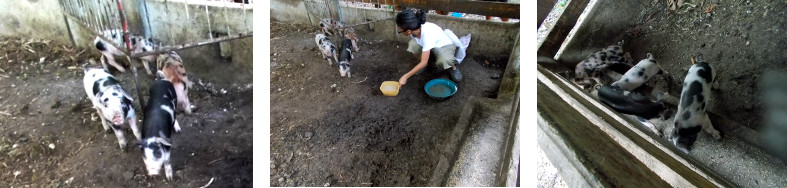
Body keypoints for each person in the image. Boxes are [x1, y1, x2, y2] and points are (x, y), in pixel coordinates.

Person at [395, 9, 462, 86]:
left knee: (444, 61)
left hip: (443, 46)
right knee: (412, 46)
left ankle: (453, 68)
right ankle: (424, 64)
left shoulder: (427, 35)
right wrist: (423, 62)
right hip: (430, 44)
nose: (400, 32)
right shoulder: (414, 27)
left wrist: (405, 76)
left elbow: (424, 61)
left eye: (400, 31)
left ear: (408, 31)